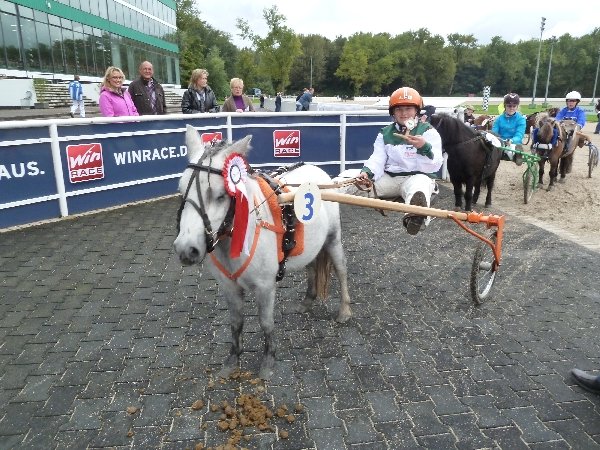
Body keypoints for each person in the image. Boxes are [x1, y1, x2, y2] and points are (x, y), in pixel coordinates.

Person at [350, 86, 443, 236]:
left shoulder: (428, 131)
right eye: (399, 109)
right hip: (390, 179)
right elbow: (377, 158)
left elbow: (435, 164)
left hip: (416, 177)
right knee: (350, 179)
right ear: (393, 112)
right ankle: (322, 195)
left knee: (419, 187)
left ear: (416, 111)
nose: (404, 113)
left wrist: (424, 147)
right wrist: (366, 173)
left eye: (408, 108)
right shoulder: (385, 133)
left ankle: (415, 217)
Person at [491, 93, 526, 166]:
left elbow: (519, 135)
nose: (511, 108)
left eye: (514, 106)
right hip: (500, 142)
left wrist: (511, 140)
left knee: (511, 148)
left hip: (513, 143)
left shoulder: (521, 119)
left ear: (517, 107)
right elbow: (494, 132)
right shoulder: (498, 119)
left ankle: (517, 153)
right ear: (505, 106)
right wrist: (497, 139)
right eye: (509, 106)